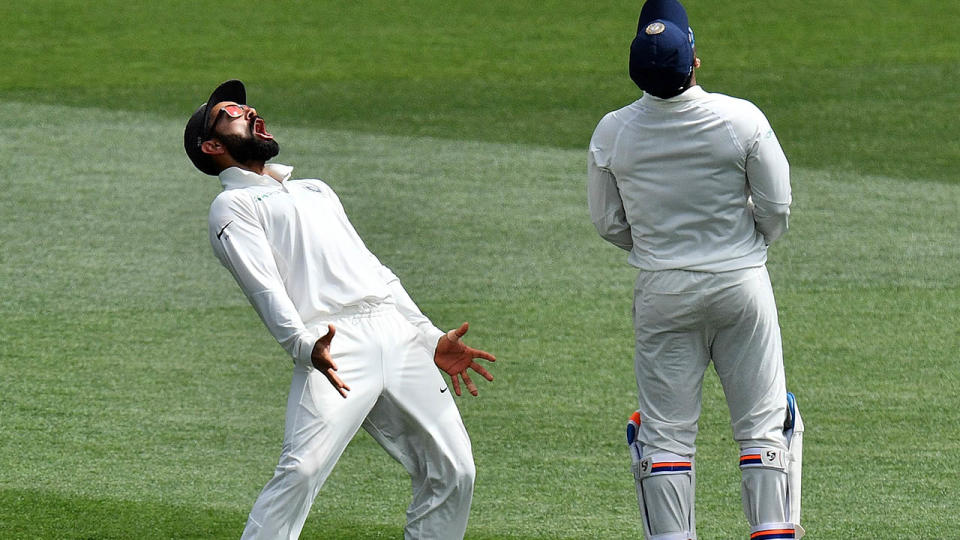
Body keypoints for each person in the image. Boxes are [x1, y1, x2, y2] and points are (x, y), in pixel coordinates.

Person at [183, 79, 496, 540]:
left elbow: (374, 270)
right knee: (302, 470)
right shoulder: (232, 205)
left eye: (246, 107)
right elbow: (263, 287)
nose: (248, 112)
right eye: (231, 112)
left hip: (397, 333)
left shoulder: (316, 190)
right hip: (332, 344)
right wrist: (304, 344)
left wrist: (429, 337)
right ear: (212, 146)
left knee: (455, 471)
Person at [587, 1, 804, 538]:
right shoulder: (741, 119)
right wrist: (752, 242)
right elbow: (777, 207)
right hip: (741, 284)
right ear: (695, 62)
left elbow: (608, 223)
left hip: (663, 290)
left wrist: (662, 246)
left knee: (665, 436)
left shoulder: (613, 132)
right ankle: (774, 531)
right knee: (763, 425)